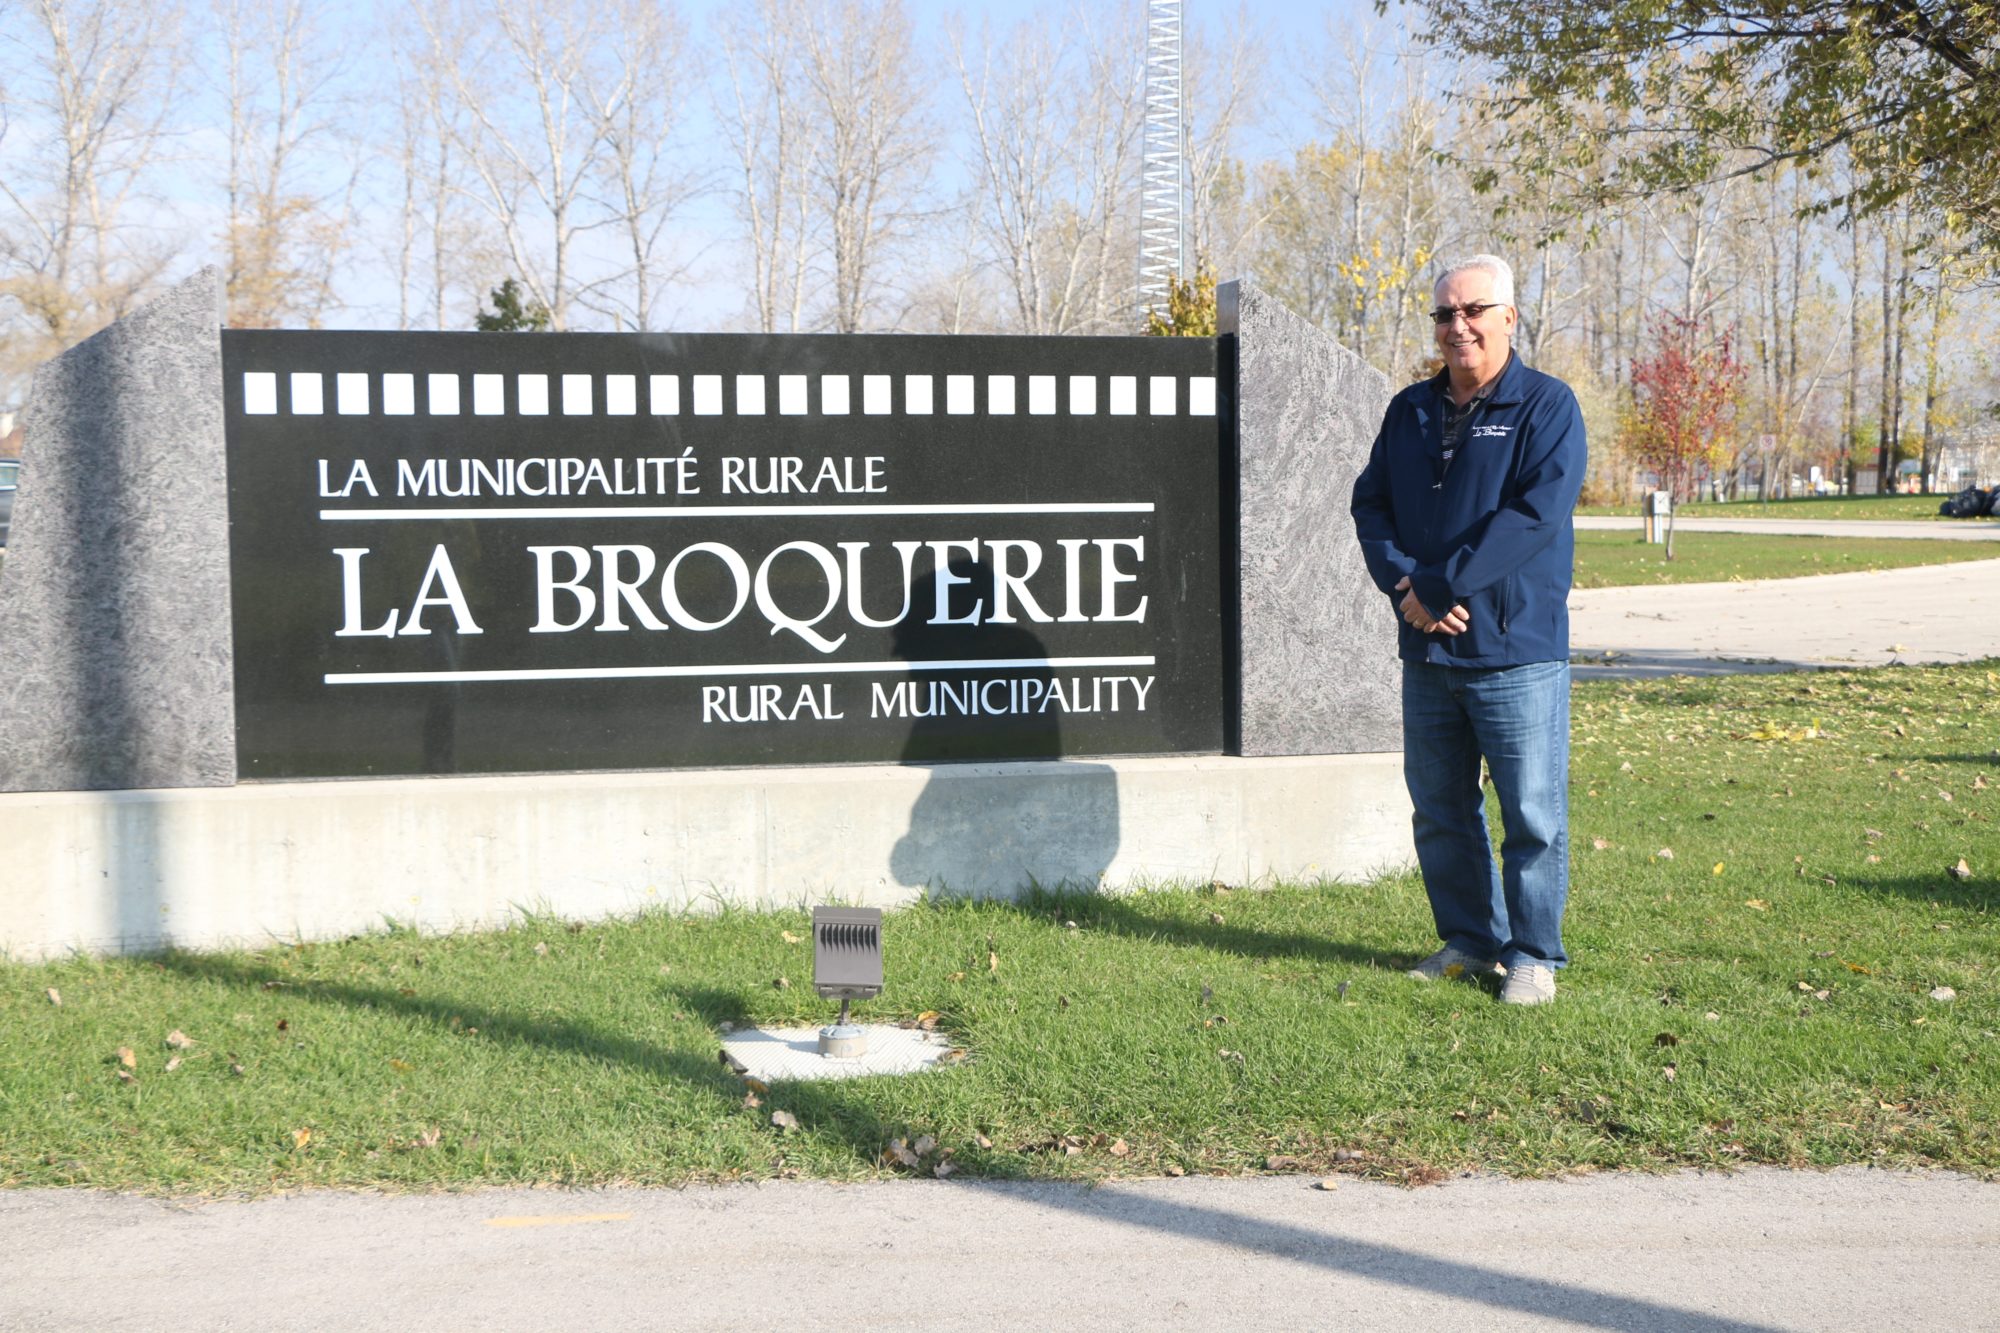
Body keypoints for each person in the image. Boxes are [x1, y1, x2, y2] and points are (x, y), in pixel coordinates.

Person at [1349, 254, 1587, 1006]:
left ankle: (1534, 955)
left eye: (1474, 311)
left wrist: (1441, 583)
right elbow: (1371, 506)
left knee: (1531, 815)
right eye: (1445, 314)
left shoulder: (1546, 407)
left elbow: (1532, 517)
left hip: (1515, 651)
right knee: (1441, 809)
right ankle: (1470, 938)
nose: (1459, 327)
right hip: (1428, 649)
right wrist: (1406, 587)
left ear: (1509, 317)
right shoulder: (1409, 411)